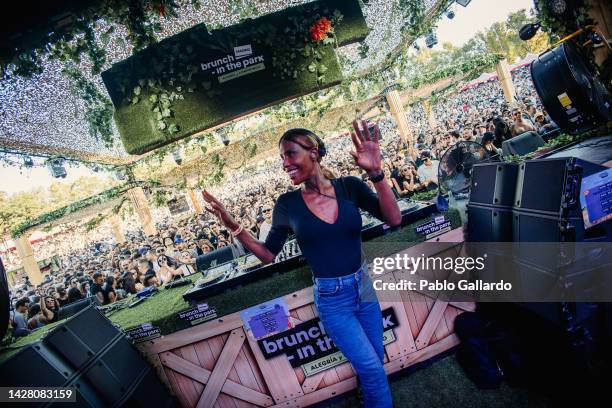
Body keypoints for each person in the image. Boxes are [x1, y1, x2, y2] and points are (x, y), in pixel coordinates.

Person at [202, 121, 401, 408]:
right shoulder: (287, 205)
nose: (284, 164)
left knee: (374, 360)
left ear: (315, 152)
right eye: (282, 158)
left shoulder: (350, 187)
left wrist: (377, 175)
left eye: (290, 154)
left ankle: (368, 397)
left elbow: (394, 219)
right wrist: (233, 226)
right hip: (333, 300)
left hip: (364, 288)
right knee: (371, 368)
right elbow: (268, 254)